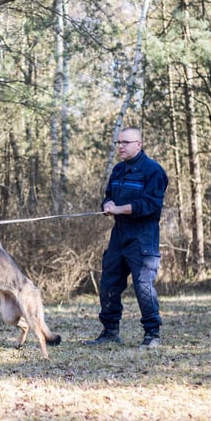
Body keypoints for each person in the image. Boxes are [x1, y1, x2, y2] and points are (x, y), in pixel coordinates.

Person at [87, 127, 168, 348]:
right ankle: (110, 332)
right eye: (118, 143)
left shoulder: (153, 171)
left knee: (143, 285)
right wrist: (106, 205)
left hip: (143, 236)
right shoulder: (118, 170)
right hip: (119, 235)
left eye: (125, 142)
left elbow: (150, 205)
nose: (120, 146)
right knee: (109, 283)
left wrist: (119, 209)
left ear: (139, 144)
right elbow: (109, 197)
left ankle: (152, 335)